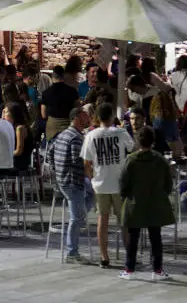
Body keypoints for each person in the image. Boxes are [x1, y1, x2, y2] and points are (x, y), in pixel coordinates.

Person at [81, 103, 135, 268]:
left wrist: (92, 178)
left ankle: (104, 257)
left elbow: (86, 162)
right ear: (112, 116)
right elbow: (132, 148)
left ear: (97, 117)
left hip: (100, 183)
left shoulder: (91, 135)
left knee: (102, 221)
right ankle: (129, 256)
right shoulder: (120, 132)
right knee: (124, 221)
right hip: (119, 183)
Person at [119, 127, 174, 281]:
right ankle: (157, 270)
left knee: (133, 237)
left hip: (134, 203)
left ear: (137, 141)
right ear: (153, 141)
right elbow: (168, 184)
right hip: (155, 204)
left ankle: (129, 269)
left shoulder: (130, 160)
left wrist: (126, 196)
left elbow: (123, 183)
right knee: (156, 238)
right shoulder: (160, 160)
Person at [48, 107, 94, 264]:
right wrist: (91, 171)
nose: (87, 119)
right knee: (76, 218)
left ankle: (81, 214)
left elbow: (49, 154)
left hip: (63, 180)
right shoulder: (75, 137)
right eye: (84, 117)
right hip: (73, 181)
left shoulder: (63, 134)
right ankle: (72, 253)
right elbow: (78, 161)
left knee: (94, 191)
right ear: (76, 118)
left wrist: (58, 171)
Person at [42, 65, 81, 140]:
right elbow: (77, 109)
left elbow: (43, 114)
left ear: (52, 76)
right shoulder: (72, 91)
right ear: (63, 76)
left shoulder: (46, 93)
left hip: (52, 128)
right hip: (68, 127)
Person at [6, 102, 34, 171]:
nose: (3, 115)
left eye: (6, 112)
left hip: (19, 162)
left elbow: (19, 151)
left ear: (13, 114)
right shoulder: (14, 127)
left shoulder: (20, 128)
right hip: (16, 160)